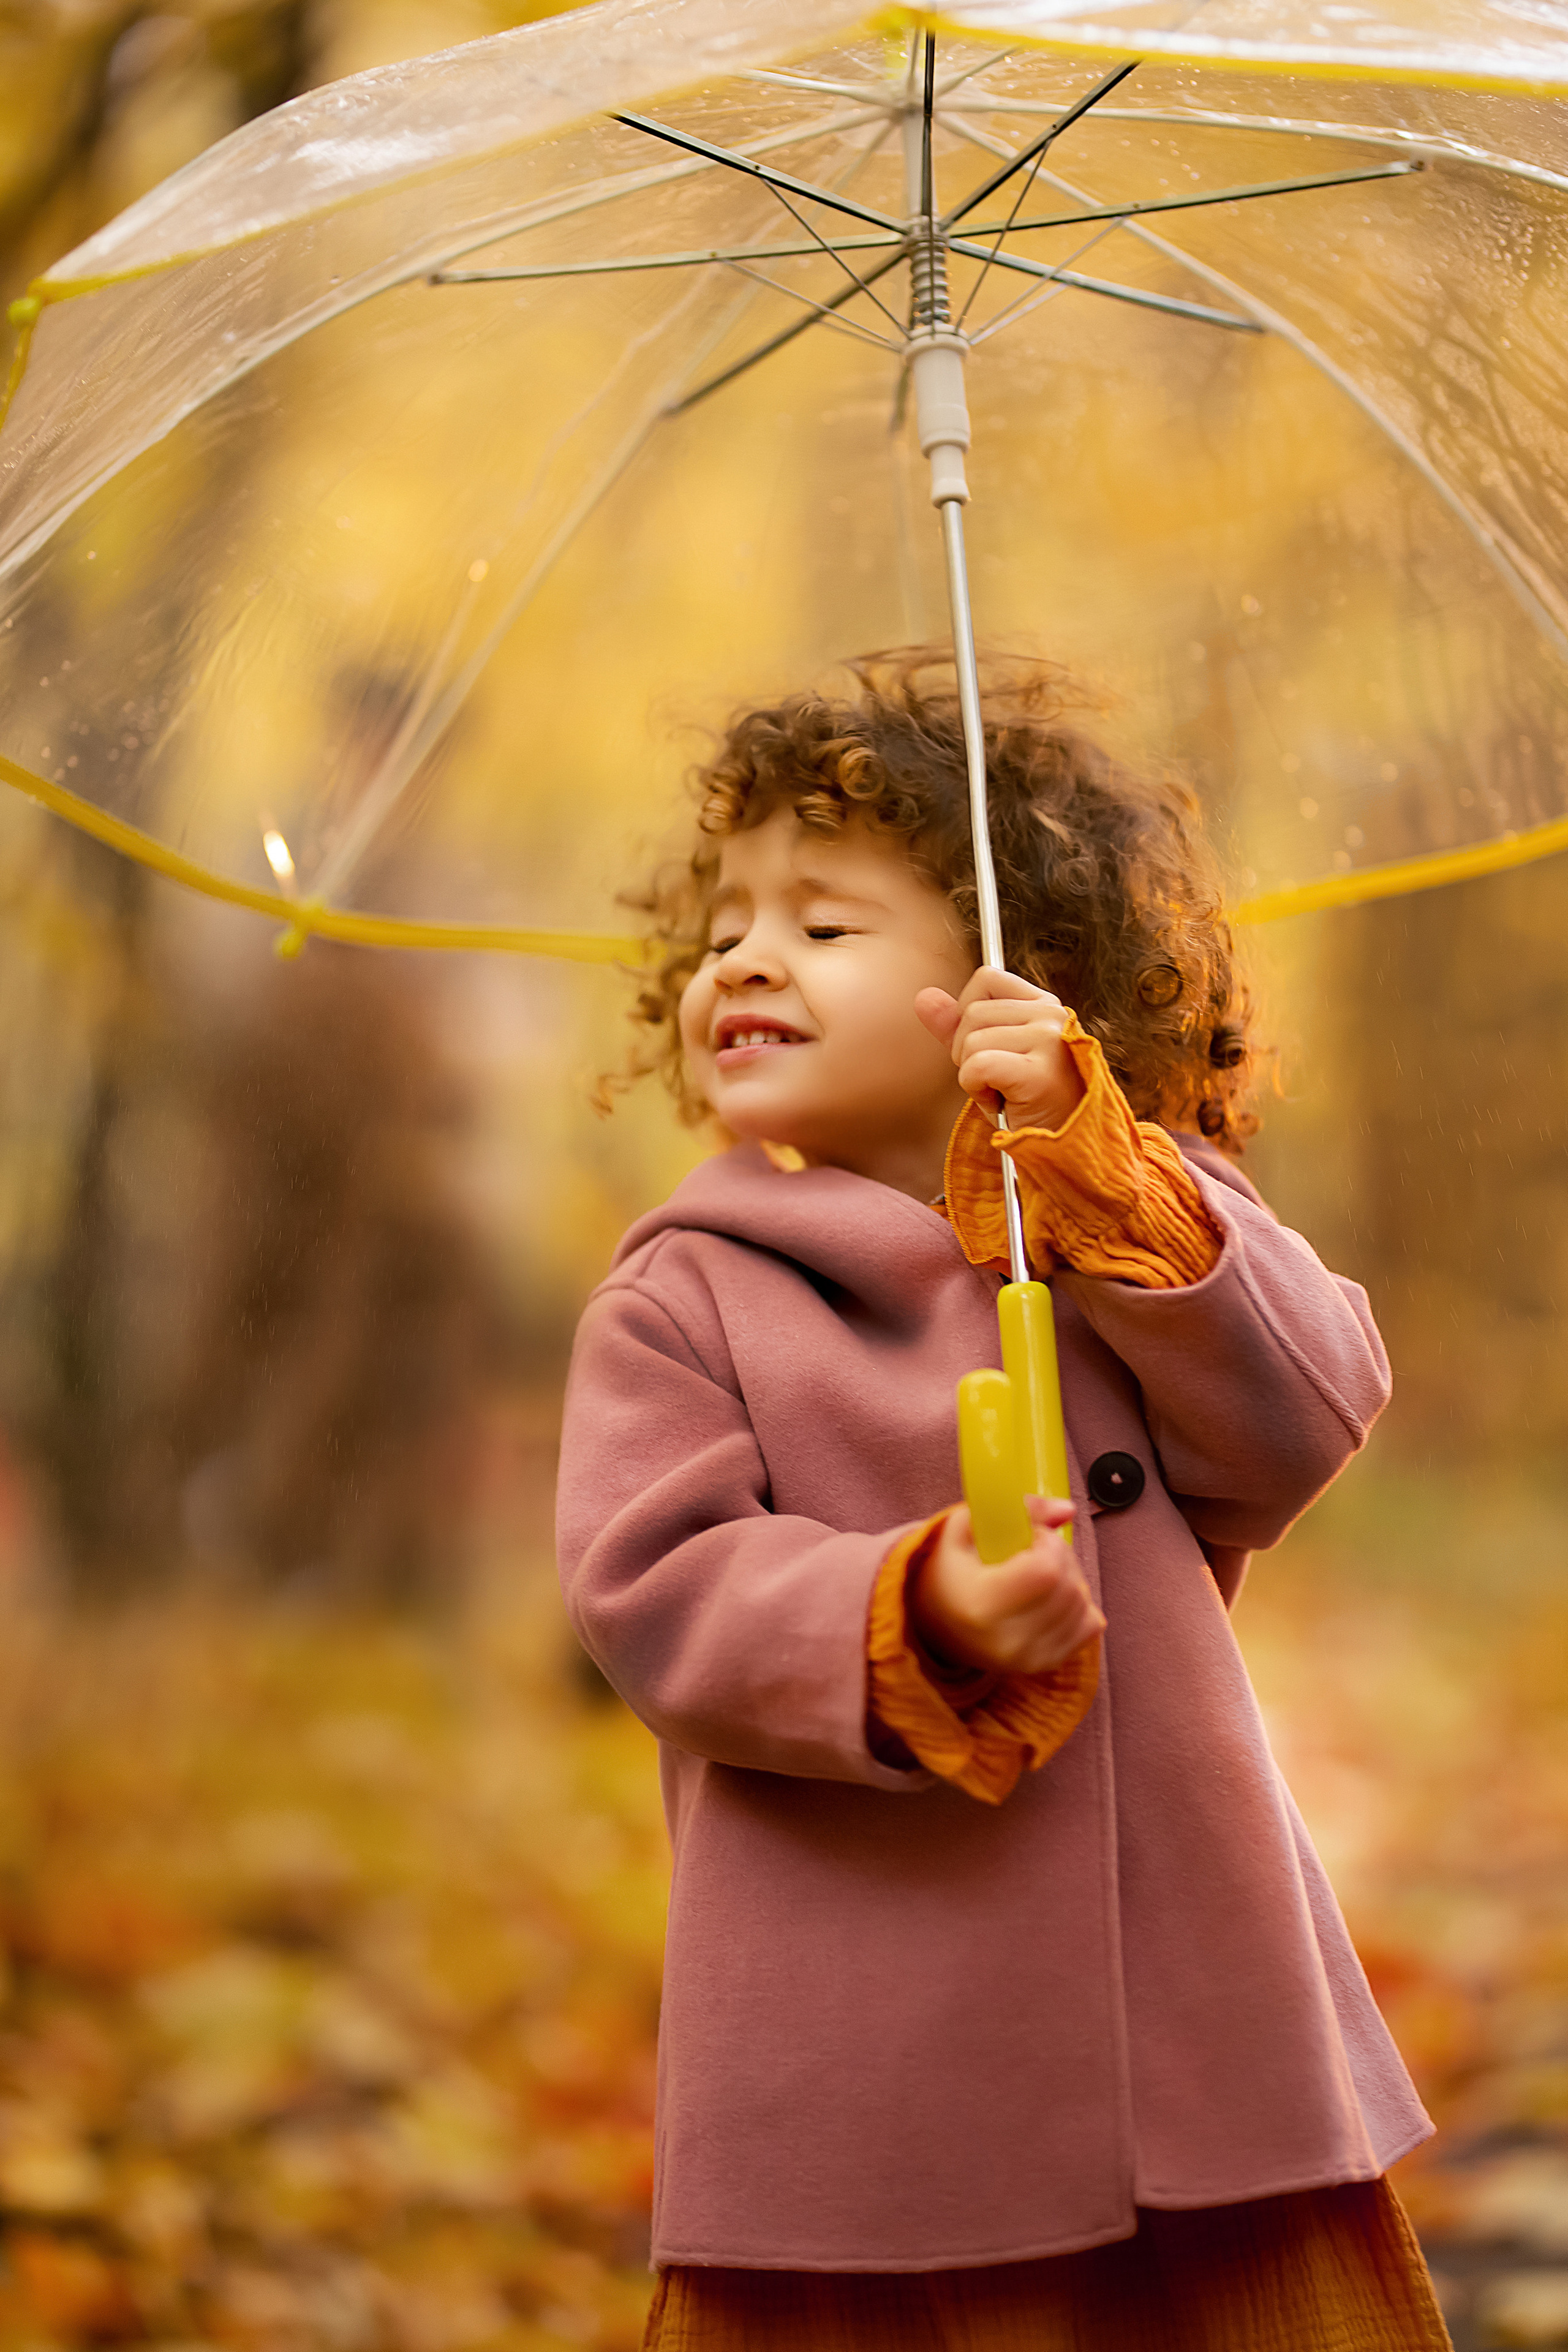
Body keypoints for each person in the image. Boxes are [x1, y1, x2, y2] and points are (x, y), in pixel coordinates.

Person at [557, 650, 1452, 2351]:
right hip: (864, 2067)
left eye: (824, 927)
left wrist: (1098, 1164)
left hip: (1191, 2042)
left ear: (1016, 982)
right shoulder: (687, 1295)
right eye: (729, 925)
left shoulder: (1119, 1210)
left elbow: (1297, 1421)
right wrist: (912, 1612)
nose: (747, 955)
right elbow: (656, 1593)